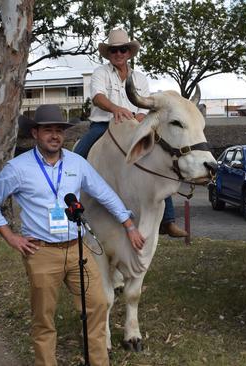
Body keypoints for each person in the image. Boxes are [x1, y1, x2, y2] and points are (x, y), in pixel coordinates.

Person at [0, 104, 145, 366]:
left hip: (77, 249)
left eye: (59, 130)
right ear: (35, 133)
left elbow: (104, 194)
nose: (55, 135)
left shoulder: (76, 163)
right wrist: (10, 236)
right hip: (41, 251)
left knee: (98, 305)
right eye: (48, 130)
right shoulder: (18, 168)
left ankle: (98, 361)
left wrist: (129, 225)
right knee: (44, 318)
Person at [73, 28, 187, 238]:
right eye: (114, 50)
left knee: (158, 158)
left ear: (128, 52)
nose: (119, 53)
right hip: (104, 125)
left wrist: (141, 118)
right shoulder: (101, 73)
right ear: (109, 53)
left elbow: (145, 106)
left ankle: (168, 221)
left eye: (123, 49)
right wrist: (115, 109)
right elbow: (97, 96)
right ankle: (67, 203)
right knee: (75, 158)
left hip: (133, 126)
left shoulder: (140, 78)